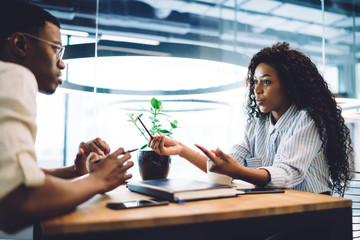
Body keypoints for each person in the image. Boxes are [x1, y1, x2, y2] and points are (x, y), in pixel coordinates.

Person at [149, 42, 353, 196]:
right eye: (255, 82)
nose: (256, 90)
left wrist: (237, 171)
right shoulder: (256, 127)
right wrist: (181, 150)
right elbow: (223, 167)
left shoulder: (307, 119)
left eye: (266, 82)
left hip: (315, 211)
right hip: (280, 206)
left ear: (291, 85)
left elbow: (287, 174)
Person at [0, 1, 134, 233]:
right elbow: (16, 203)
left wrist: (74, 171)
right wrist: (98, 180)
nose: (62, 63)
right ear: (20, 44)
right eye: (56, 49)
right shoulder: (15, 75)